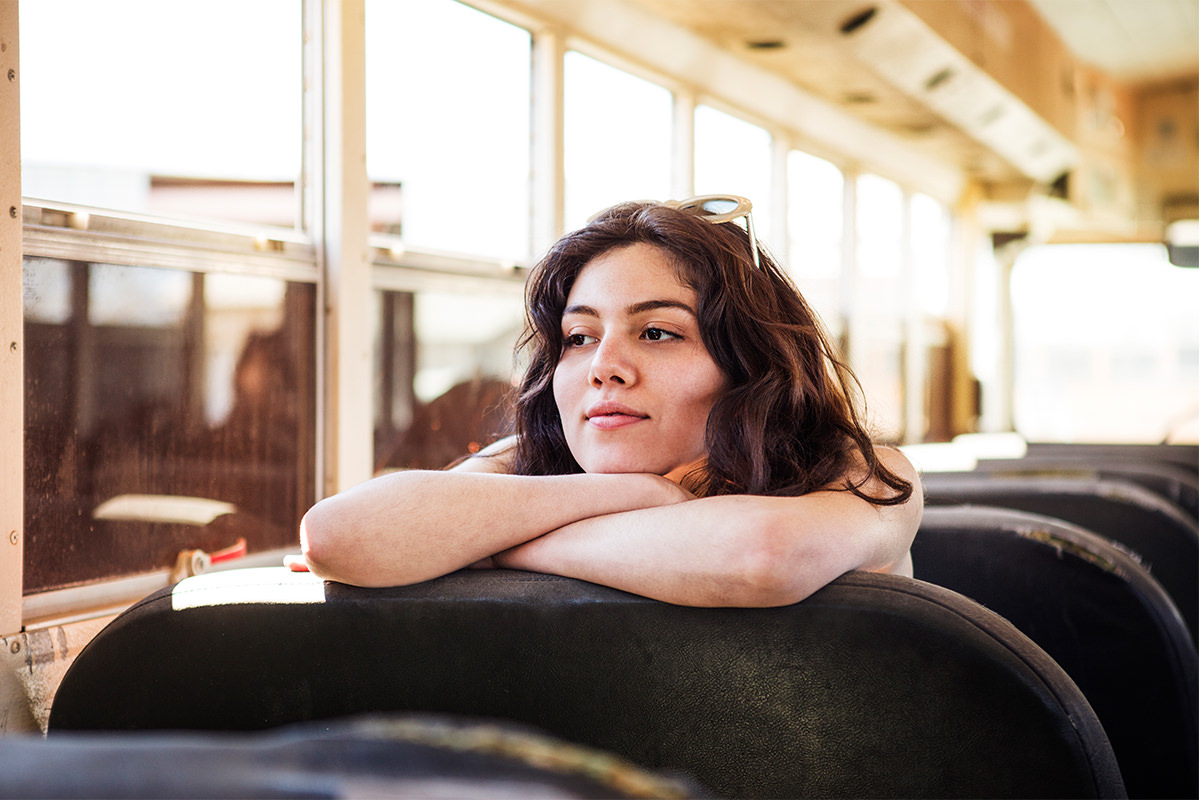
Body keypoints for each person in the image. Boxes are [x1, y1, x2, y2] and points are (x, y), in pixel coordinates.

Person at [300, 196, 923, 607]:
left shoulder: (868, 473)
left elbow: (762, 556)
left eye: (657, 333)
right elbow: (335, 536)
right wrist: (637, 495)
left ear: (748, 365)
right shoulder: (535, 464)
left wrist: (491, 544)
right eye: (579, 337)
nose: (604, 369)